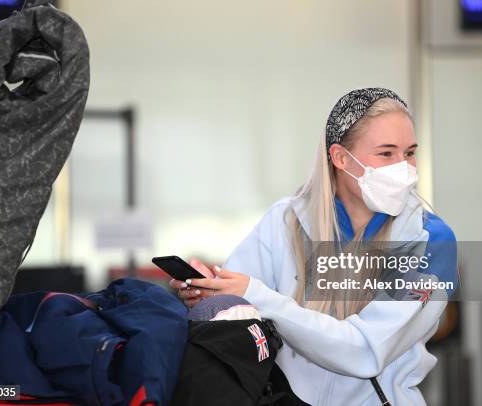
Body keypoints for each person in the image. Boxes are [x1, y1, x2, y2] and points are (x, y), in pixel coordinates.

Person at [170, 87, 458, 406]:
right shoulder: (285, 220)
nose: (403, 168)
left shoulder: (431, 241)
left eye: (409, 153)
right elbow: (238, 315)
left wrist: (258, 296)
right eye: (386, 153)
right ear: (339, 157)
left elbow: (364, 351)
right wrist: (209, 292)